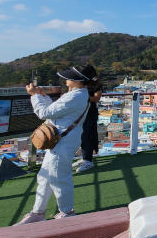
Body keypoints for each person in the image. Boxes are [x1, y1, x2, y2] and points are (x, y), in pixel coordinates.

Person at [16, 65, 93, 224]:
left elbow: (44, 113)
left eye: (69, 77)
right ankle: (38, 212)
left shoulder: (74, 96)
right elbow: (55, 110)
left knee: (59, 177)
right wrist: (42, 96)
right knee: (45, 176)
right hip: (63, 140)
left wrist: (34, 95)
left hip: (62, 141)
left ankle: (67, 213)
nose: (66, 79)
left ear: (77, 81)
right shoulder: (78, 94)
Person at [74, 65, 102, 173]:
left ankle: (88, 160)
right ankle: (85, 158)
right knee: (83, 135)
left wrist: (82, 98)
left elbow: (96, 98)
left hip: (90, 112)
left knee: (86, 135)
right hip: (82, 112)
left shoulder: (97, 84)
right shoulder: (82, 83)